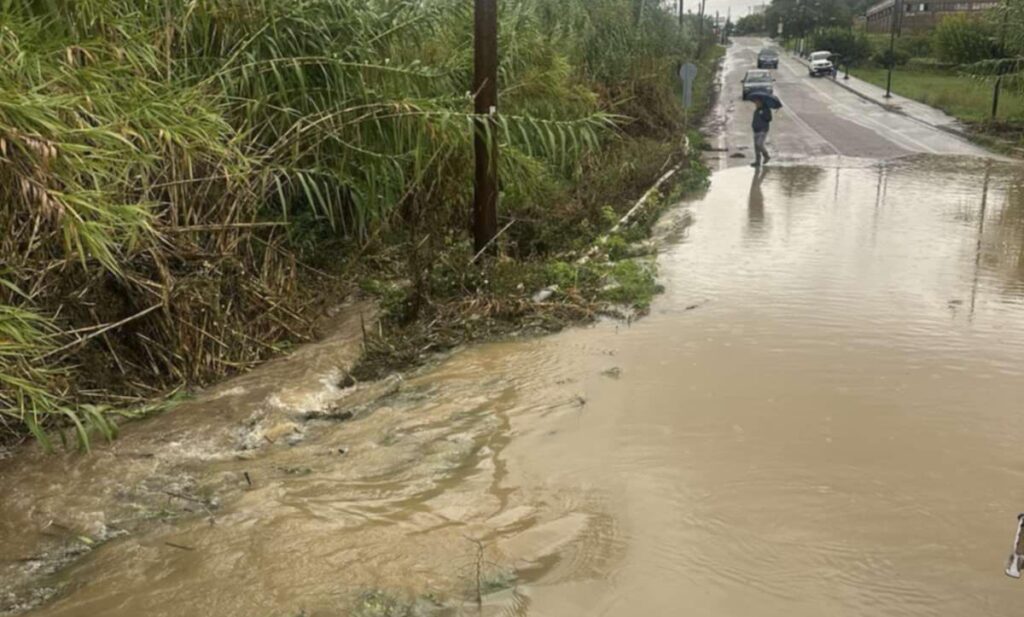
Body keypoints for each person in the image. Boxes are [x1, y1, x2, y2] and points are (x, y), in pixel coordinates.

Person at [751, 99, 772, 167]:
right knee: (756, 147)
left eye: (757, 103)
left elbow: (769, 118)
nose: (756, 104)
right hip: (756, 130)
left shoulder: (766, 110)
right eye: (756, 103)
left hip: (763, 130)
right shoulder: (757, 110)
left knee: (759, 144)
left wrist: (762, 114)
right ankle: (757, 161)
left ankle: (766, 155)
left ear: (761, 103)